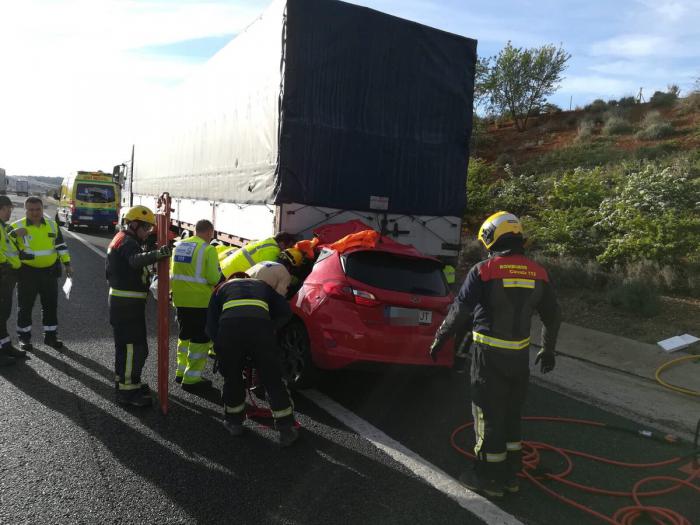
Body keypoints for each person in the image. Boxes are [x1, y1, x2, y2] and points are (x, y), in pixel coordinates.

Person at [429, 211, 560, 499]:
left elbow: (459, 312)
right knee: (512, 415)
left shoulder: (484, 270)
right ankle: (510, 476)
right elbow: (553, 316)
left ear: (491, 236)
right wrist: (548, 350)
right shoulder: (539, 272)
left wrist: (440, 338)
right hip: (519, 360)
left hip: (488, 357)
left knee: (486, 415)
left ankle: (486, 477)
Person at [206, 267, 298, 447]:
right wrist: (271, 328)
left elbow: (210, 326)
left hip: (229, 331)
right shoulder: (262, 286)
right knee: (272, 380)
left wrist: (222, 347)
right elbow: (285, 312)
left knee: (232, 378)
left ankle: (234, 423)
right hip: (261, 331)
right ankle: (286, 429)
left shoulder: (221, 289)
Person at [106, 205, 171, 407]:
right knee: (134, 349)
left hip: (126, 303)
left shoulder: (126, 239)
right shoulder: (126, 241)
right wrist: (159, 253)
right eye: (146, 228)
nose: (148, 232)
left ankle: (127, 382)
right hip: (127, 304)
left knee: (127, 348)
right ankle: (127, 392)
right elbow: (135, 261)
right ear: (134, 224)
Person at [10, 197, 72, 351]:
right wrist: (12, 234)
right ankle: (24, 339)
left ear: (42, 209)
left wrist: (67, 264)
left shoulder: (52, 225)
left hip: (49, 272)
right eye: (31, 210)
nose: (35, 213)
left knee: (50, 306)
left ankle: (50, 337)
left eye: (38, 209)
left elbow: (61, 246)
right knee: (25, 307)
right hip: (26, 273)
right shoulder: (16, 226)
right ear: (25, 210)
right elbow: (4, 245)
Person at [170, 219, 221, 391]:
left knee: (184, 336)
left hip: (180, 299)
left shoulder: (179, 246)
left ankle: (180, 371)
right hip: (200, 301)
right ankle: (192, 379)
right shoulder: (208, 249)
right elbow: (214, 278)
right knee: (200, 339)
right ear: (209, 232)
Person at [0, 196, 23, 365]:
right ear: (1, 208)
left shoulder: (3, 227)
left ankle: (5, 346)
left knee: (3, 313)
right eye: (9, 210)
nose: (10, 213)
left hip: (8, 275)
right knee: (1, 313)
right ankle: (4, 350)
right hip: (3, 275)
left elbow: (7, 243)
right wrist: (4, 265)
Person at [219, 231, 297, 278]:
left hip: (227, 265)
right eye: (288, 246)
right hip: (232, 272)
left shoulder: (267, 241)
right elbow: (269, 273)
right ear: (282, 244)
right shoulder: (272, 251)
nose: (287, 249)